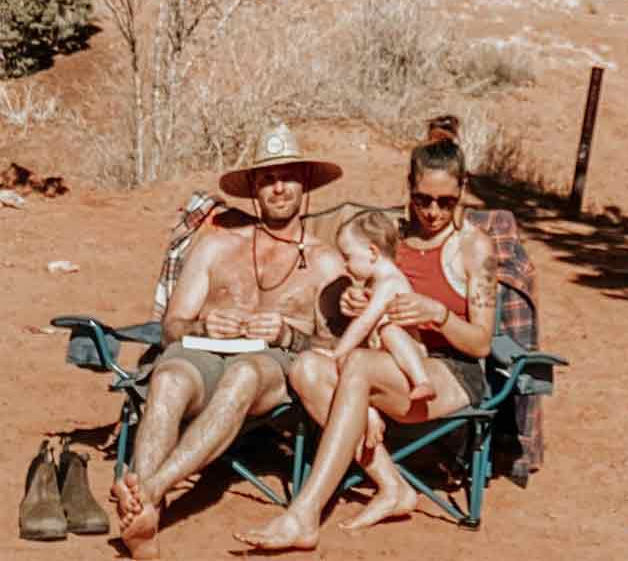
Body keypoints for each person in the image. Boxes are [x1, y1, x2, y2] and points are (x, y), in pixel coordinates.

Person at [235, 119, 498, 550]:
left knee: (353, 365)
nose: (432, 212)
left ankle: (303, 514)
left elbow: (481, 344)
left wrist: (439, 315)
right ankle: (393, 487)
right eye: (422, 199)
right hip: (387, 361)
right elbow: (367, 289)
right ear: (408, 187)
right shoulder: (391, 235)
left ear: (464, 189)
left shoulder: (474, 248)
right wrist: (353, 302)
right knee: (306, 369)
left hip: (450, 372)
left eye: (446, 202)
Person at [111, 124, 346, 560]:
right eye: (267, 178)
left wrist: (287, 333)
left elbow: (334, 347)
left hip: (270, 367)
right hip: (201, 356)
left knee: (244, 374)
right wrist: (203, 326)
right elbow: (170, 326)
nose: (278, 187)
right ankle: (144, 522)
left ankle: (146, 491)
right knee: (169, 378)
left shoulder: (326, 261)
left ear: (305, 183)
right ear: (253, 187)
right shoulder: (217, 245)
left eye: (288, 176)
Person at [327, 209, 436, 406]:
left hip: (410, 355)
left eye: (347, 257)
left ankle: (422, 381)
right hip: (386, 360)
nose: (345, 266)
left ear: (372, 252)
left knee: (390, 331)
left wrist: (338, 353)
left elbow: (365, 322)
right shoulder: (374, 284)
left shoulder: (390, 282)